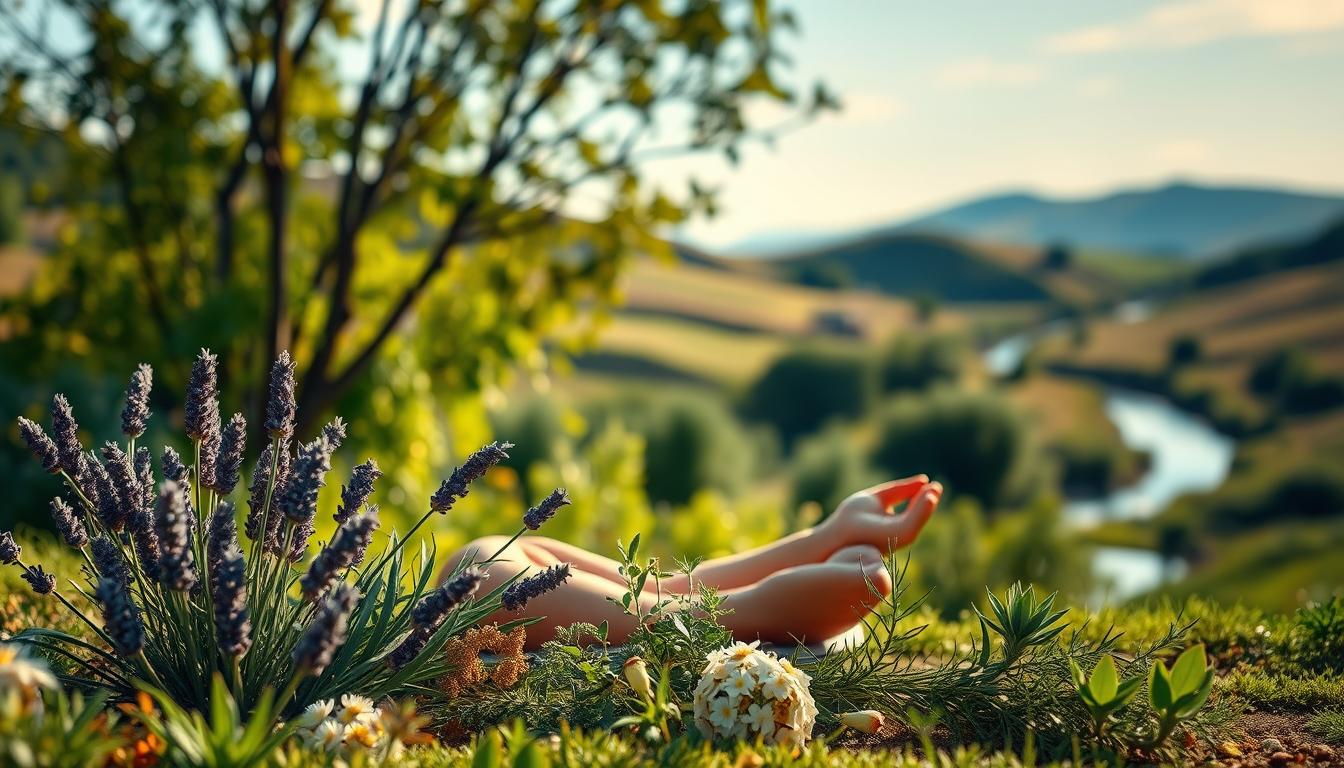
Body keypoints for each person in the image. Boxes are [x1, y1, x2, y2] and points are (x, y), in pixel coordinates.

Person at [443, 476, 943, 648]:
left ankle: (822, 546)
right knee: (666, 606)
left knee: (665, 596)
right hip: (487, 582)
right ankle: (773, 601)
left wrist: (828, 536)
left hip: (491, 571)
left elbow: (678, 587)